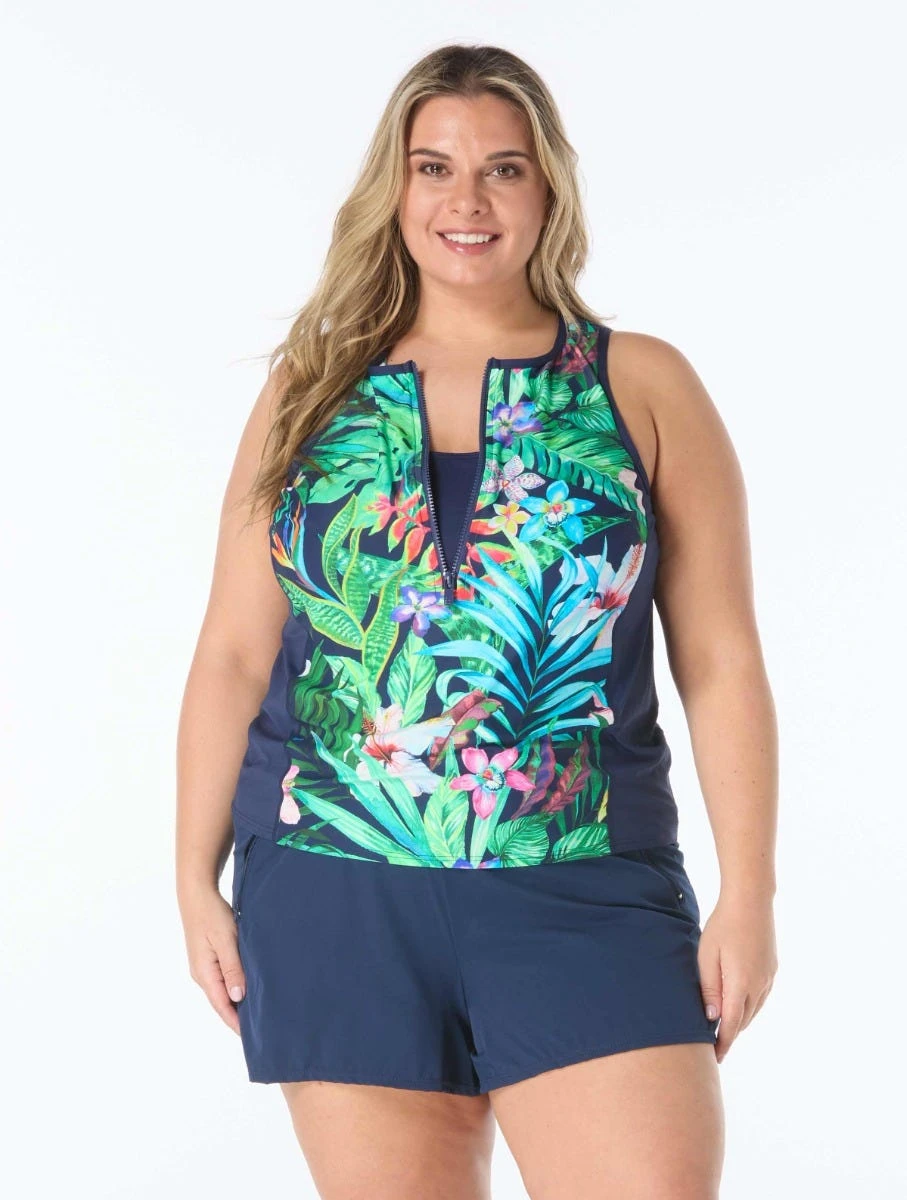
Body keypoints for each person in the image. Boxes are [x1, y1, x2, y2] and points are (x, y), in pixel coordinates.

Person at [176, 42, 778, 1200]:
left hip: (584, 880)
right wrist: (191, 877)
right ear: (393, 188)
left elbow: (719, 659)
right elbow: (234, 652)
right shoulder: (311, 391)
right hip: (335, 885)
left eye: (503, 169)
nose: (468, 200)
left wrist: (748, 894)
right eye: (434, 167)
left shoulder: (637, 385)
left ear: (548, 188)